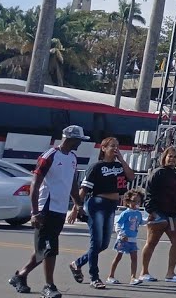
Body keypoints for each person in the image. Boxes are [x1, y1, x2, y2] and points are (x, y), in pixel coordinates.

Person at [9, 125, 88, 298]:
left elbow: (72, 183)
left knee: (43, 248)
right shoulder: (49, 156)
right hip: (45, 208)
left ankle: (20, 276)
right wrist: (35, 212)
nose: (80, 144)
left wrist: (78, 204)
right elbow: (35, 184)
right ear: (69, 138)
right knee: (49, 248)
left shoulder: (73, 157)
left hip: (60, 209)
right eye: (79, 140)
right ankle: (49, 286)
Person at [67, 137, 134, 289]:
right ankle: (94, 277)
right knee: (95, 242)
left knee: (103, 244)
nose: (115, 148)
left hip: (111, 205)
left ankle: (77, 264)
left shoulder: (119, 166)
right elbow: (83, 189)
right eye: (112, 146)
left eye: (117, 146)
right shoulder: (96, 167)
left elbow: (131, 177)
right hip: (97, 204)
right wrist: (75, 209)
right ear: (103, 148)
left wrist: (122, 160)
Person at [140, 146, 176, 283]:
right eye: (170, 156)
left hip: (173, 214)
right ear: (165, 157)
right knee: (151, 242)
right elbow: (148, 193)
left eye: (175, 157)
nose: (172, 159)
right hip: (158, 213)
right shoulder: (157, 173)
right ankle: (144, 272)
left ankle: (170, 273)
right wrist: (152, 212)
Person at [108, 190, 145, 285]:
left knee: (134, 258)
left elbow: (141, 222)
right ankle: (110, 276)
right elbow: (118, 224)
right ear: (128, 202)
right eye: (133, 201)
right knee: (118, 257)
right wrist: (121, 234)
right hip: (123, 239)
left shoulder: (138, 214)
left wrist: (149, 220)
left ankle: (133, 278)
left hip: (133, 239)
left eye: (138, 202)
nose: (136, 203)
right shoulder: (125, 213)